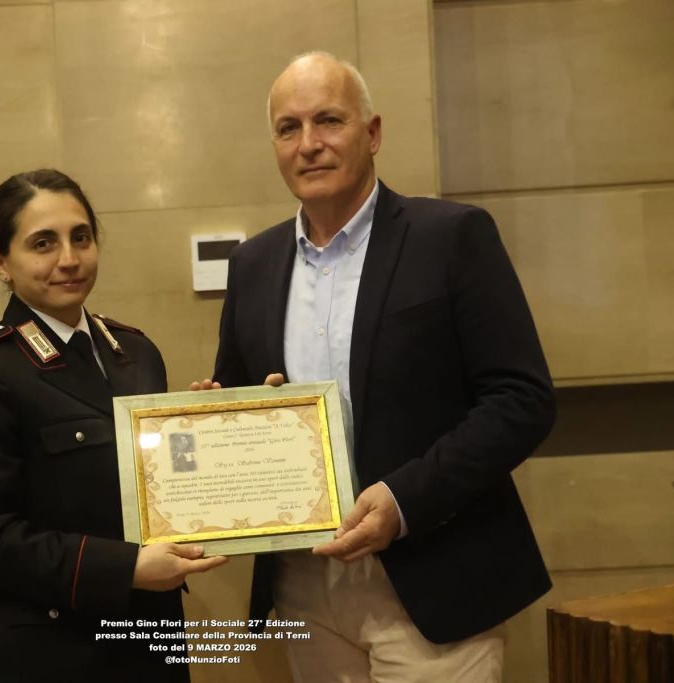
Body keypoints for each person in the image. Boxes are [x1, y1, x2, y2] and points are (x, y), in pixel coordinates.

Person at [197, 52, 556, 682]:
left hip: (433, 574)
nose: (309, 144)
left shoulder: (451, 236)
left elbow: (521, 401)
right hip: (303, 584)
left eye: (329, 121)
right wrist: (215, 421)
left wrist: (403, 500)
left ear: (373, 133)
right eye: (289, 128)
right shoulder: (252, 265)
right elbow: (241, 400)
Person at [0, 169, 226, 683]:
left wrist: (204, 433)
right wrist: (127, 569)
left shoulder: (135, 351)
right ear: (1, 264)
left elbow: (154, 489)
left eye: (80, 237)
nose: (69, 259)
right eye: (43, 243)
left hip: (147, 644)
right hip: (46, 653)